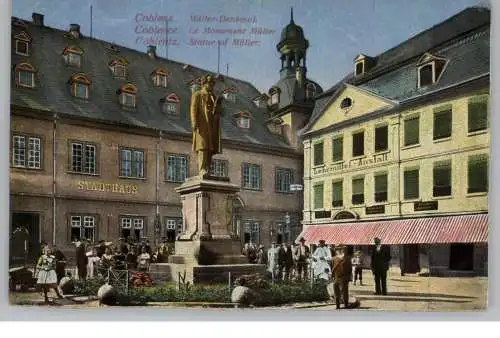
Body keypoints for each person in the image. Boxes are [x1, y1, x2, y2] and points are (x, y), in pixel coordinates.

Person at [190, 73, 223, 178]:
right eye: (210, 83)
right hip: (202, 124)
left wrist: (218, 108)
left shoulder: (213, 96)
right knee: (203, 147)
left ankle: (207, 169)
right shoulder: (198, 94)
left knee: (210, 148)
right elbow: (193, 109)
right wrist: (194, 123)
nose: (212, 85)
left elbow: (219, 112)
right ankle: (202, 169)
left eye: (213, 83)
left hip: (212, 125)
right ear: (204, 83)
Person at [332, 244, 352, 310]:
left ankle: (346, 304)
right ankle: (337, 305)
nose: (340, 250)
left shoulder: (347, 258)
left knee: (344, 291)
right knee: (336, 291)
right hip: (336, 278)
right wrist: (332, 276)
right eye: (338, 249)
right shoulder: (334, 258)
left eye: (341, 249)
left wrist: (349, 277)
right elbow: (332, 268)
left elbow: (350, 269)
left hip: (344, 278)